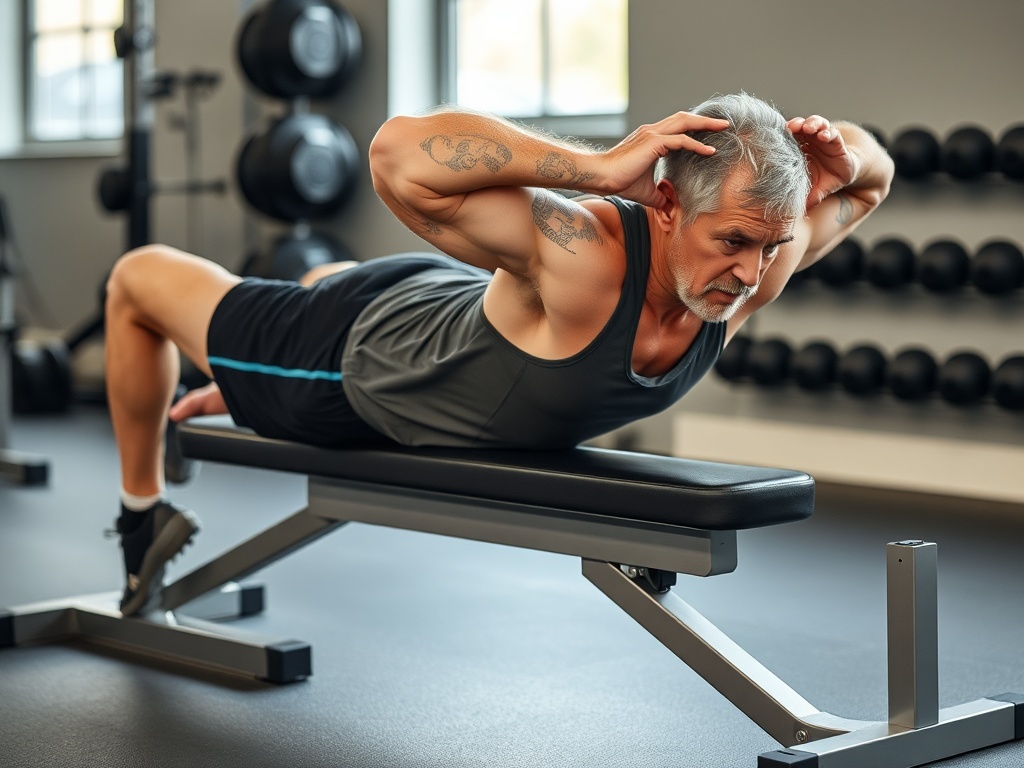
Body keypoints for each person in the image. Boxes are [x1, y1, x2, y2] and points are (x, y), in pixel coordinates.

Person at [104, 92, 894, 615]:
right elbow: (395, 153)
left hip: (441, 304)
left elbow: (870, 181)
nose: (751, 275)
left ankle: (232, 377)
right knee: (137, 280)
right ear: (665, 203)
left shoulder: (757, 264)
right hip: (344, 362)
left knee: (324, 280)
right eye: (732, 242)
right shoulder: (584, 252)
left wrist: (843, 158)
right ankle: (142, 519)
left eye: (770, 247)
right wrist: (595, 167)